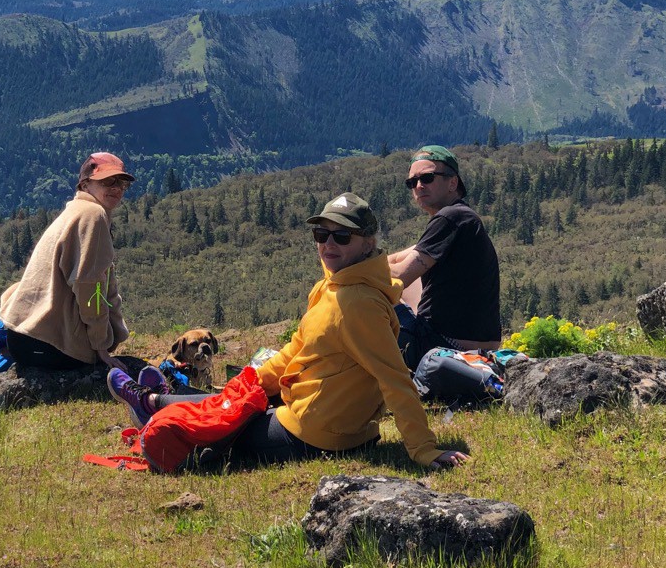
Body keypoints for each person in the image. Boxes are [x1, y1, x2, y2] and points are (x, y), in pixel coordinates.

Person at [107, 192, 469, 470]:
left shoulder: (358, 304)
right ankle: (152, 401)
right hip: (317, 413)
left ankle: (151, 406)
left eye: (342, 236)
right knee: (234, 399)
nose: (328, 244)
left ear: (368, 242)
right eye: (321, 234)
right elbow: (297, 349)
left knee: (222, 419)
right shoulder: (332, 286)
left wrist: (423, 448)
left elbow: (394, 379)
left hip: (319, 435)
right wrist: (252, 379)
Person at [0, 152, 133, 370]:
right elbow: (90, 287)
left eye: (123, 183)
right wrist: (101, 348)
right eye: (109, 180)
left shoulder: (75, 210)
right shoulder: (93, 214)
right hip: (48, 344)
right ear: (85, 184)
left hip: (25, 338)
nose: (117, 188)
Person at [387, 145, 501, 370]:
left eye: (427, 178)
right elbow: (396, 259)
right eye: (412, 182)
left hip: (443, 347)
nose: (418, 186)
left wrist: (345, 270)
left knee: (361, 298)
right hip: (476, 348)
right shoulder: (463, 218)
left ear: (452, 182)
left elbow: (399, 277)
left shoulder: (451, 218)